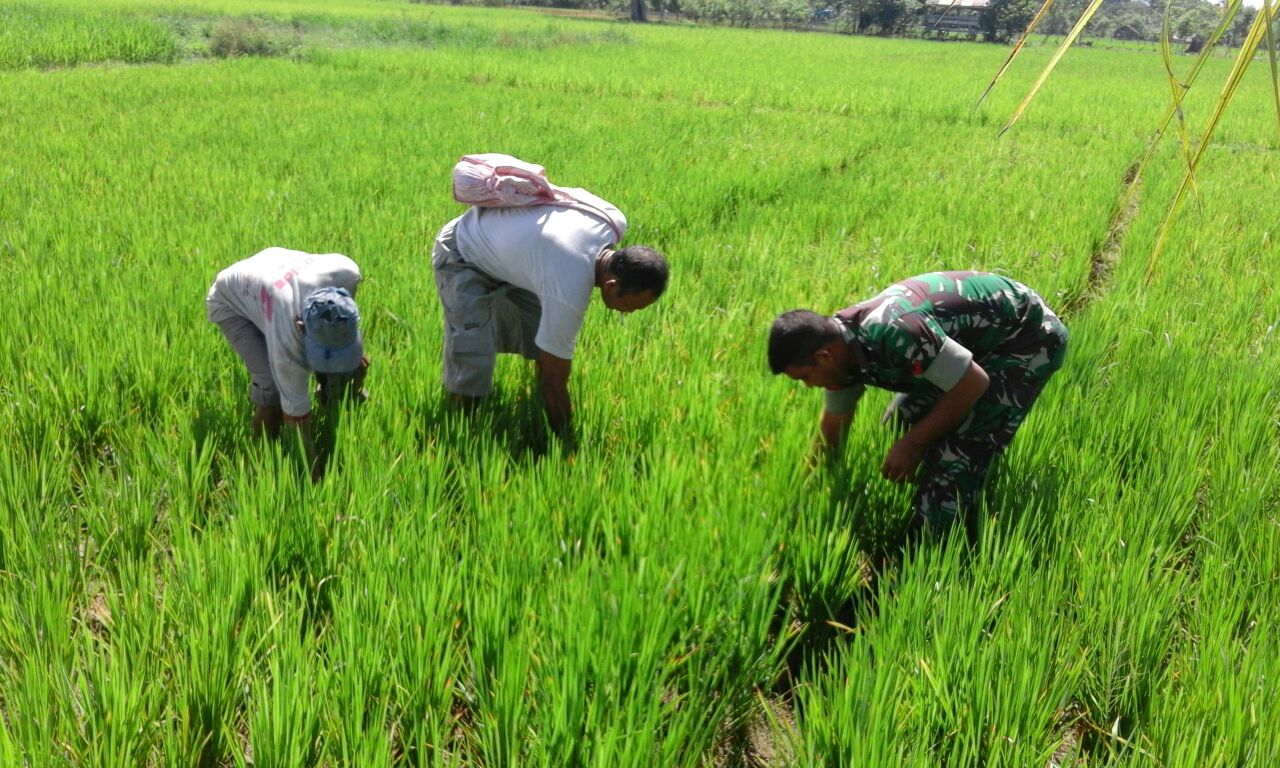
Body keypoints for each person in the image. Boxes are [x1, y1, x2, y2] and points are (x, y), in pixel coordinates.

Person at [768, 271, 1068, 538]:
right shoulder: (842, 355)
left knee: (955, 456)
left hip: (1025, 336)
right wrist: (800, 499)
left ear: (824, 357)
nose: (808, 386)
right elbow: (832, 432)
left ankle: (934, 546)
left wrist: (914, 444)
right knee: (898, 424)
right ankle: (925, 500)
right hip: (972, 347)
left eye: (805, 377)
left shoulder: (894, 331)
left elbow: (973, 383)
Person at [432, 188, 668, 444]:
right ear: (611, 285)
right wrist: (567, 443)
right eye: (631, 306)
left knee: (541, 336)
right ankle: (459, 432)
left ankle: (524, 406)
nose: (630, 312)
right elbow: (553, 381)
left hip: (509, 252)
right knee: (472, 351)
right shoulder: (569, 285)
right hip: (463, 250)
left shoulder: (613, 220)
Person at [206, 247, 369, 475]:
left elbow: (338, 324)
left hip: (272, 272)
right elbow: (298, 421)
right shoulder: (287, 336)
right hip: (231, 301)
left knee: (350, 369)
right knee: (272, 387)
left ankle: (332, 402)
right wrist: (311, 476)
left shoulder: (347, 273)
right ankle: (259, 457)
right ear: (301, 328)